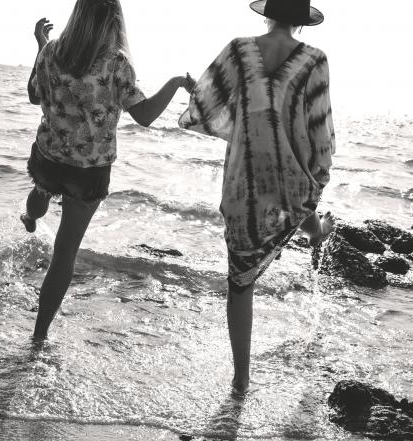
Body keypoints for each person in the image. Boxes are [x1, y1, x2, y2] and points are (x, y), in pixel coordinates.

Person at [179, 0, 335, 396]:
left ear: (267, 13)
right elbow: (320, 130)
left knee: (240, 281)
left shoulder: (238, 49)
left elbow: (203, 103)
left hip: (242, 182)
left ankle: (241, 378)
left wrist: (241, 120)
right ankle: (315, 229)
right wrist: (319, 171)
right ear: (301, 22)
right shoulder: (315, 60)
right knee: (298, 200)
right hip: (289, 176)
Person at [22, 0, 194, 341]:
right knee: (65, 252)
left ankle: (31, 217)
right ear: (113, 20)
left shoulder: (52, 51)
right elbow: (144, 115)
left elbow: (32, 94)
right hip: (88, 170)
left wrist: (41, 47)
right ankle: (39, 336)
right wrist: (174, 82)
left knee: (41, 190)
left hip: (50, 155)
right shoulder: (117, 63)